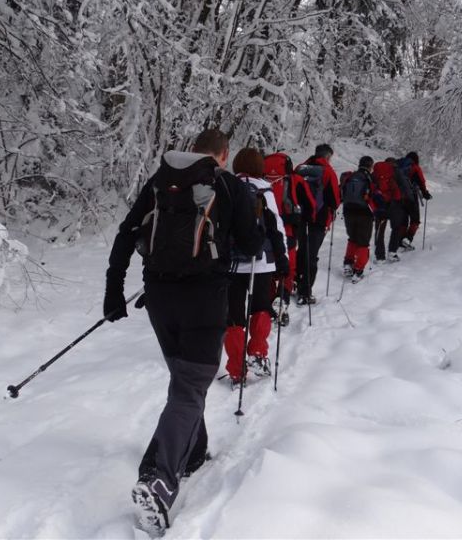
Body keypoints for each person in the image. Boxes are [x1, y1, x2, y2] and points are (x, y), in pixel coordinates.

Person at [102, 128, 264, 534]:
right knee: (190, 386)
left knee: (185, 380)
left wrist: (113, 290)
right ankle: (158, 479)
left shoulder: (160, 182)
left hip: (159, 298)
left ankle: (192, 451)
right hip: (204, 300)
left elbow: (127, 233)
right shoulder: (227, 186)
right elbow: (251, 243)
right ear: (223, 154)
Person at [224, 148, 289, 383]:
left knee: (233, 316)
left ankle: (236, 369)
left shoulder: (226, 187)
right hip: (261, 262)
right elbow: (275, 228)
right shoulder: (265, 190)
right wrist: (283, 260)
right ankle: (258, 353)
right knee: (260, 306)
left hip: (229, 264)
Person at [263, 151, 316, 325]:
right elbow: (310, 204)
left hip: (264, 232)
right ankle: (282, 300)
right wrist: (308, 219)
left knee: (269, 268)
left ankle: (269, 303)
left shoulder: (261, 179)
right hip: (288, 231)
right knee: (288, 268)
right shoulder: (294, 180)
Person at [294, 143, 341, 305]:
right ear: (328, 156)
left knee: (301, 250)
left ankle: (295, 282)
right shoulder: (328, 172)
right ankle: (305, 292)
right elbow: (335, 200)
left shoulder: (300, 168)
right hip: (318, 219)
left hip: (300, 217)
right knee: (311, 254)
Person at [340, 156, 376, 282]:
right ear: (370, 166)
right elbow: (375, 196)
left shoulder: (350, 176)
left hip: (348, 211)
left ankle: (348, 264)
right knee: (363, 242)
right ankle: (358, 270)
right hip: (364, 213)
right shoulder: (370, 178)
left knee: (353, 239)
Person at [371, 157, 410, 262]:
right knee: (396, 228)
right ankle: (392, 252)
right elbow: (405, 187)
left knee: (379, 230)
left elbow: (370, 187)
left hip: (379, 206)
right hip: (395, 205)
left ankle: (380, 256)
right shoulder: (396, 172)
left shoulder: (375, 172)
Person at [397, 151, 432, 250]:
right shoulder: (415, 167)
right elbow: (421, 181)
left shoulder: (398, 166)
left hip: (399, 197)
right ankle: (407, 239)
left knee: (403, 220)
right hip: (411, 196)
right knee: (415, 219)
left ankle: (400, 240)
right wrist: (425, 193)